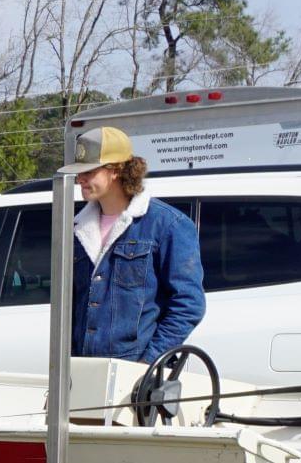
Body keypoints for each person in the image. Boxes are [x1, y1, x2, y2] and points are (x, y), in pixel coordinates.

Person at [69, 126, 205, 363]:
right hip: (82, 369)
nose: (80, 178)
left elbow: (188, 304)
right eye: (79, 172)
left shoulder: (167, 224)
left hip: (136, 374)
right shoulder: (76, 228)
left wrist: (148, 363)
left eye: (89, 171)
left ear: (116, 170)